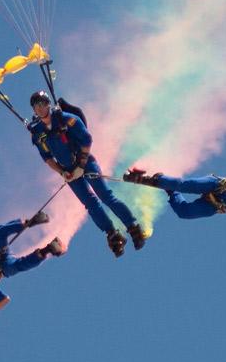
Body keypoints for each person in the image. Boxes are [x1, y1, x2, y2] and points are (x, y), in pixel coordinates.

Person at [28, 90, 147, 257]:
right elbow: (47, 158)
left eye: (42, 104)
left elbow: (87, 140)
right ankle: (112, 234)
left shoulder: (67, 119)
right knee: (90, 204)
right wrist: (62, 172)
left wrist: (81, 165)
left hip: (85, 163)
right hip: (68, 172)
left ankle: (133, 227)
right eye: (36, 106)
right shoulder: (38, 133)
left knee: (105, 196)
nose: (40, 108)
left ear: (48, 104)